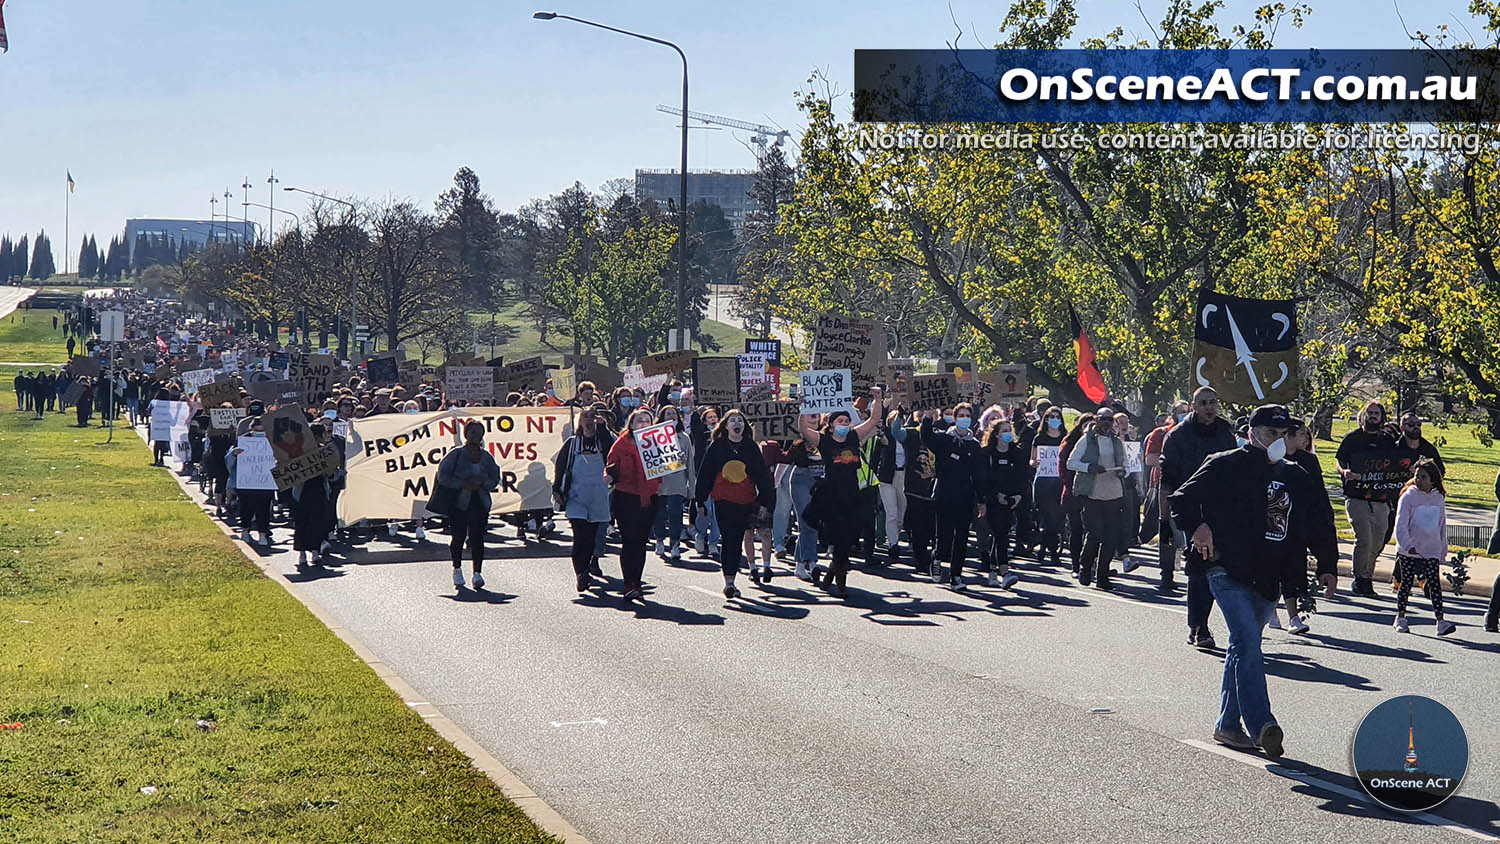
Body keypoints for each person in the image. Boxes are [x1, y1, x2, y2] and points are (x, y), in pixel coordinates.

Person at [1170, 404, 1339, 759]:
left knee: (1242, 647)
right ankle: (1263, 724)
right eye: (1269, 433)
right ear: (1252, 433)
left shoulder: (1297, 474)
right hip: (1225, 568)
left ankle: (1228, 725)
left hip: (1268, 575)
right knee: (1247, 639)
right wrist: (1197, 527)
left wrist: (1327, 564)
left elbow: (1320, 520)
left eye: (1282, 434)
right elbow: (1182, 499)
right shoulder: (1225, 463)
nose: (1277, 440)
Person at [1161, 386, 1236, 649]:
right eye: (1203, 403)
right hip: (1189, 507)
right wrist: (1165, 521)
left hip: (1220, 509)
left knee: (1217, 567)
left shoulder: (1225, 432)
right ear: (1194, 406)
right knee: (1199, 567)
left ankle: (1204, 621)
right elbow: (1167, 481)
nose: (1209, 408)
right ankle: (1199, 626)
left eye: (1213, 402)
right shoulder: (1177, 437)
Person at [798, 388, 884, 598]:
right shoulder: (824, 441)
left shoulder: (854, 437)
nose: (845, 425)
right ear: (832, 425)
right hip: (831, 496)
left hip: (852, 494)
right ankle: (840, 581)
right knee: (837, 536)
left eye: (847, 421)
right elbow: (803, 429)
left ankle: (830, 575)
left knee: (850, 536)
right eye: (841, 422)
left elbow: (874, 419)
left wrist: (878, 399)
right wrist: (803, 407)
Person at [695, 409, 776, 597]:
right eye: (732, 420)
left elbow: (763, 477)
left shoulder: (750, 447)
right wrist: (700, 501)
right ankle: (729, 581)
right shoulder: (717, 447)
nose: (736, 423)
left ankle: (733, 576)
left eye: (739, 420)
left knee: (737, 538)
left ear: (744, 426)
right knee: (729, 538)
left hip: (746, 499)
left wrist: (765, 503)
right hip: (723, 500)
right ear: (726, 426)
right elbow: (705, 474)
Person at [1335, 401, 1398, 598]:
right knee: (1364, 538)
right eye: (1369, 413)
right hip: (1356, 496)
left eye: (1376, 413)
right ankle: (1360, 579)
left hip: (1380, 497)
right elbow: (1339, 460)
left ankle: (1367, 576)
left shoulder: (1387, 440)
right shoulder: (1352, 438)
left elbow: (1396, 464)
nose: (1372, 416)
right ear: (1363, 416)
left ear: (1382, 417)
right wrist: (1344, 472)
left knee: (1378, 540)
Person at [920, 402, 985, 590]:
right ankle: (937, 558)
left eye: (967, 415)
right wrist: (927, 417)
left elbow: (979, 475)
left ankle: (956, 575)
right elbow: (927, 438)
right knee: (945, 535)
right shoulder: (944, 440)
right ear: (955, 419)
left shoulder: (974, 445)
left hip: (965, 497)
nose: (964, 418)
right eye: (961, 415)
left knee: (962, 538)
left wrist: (981, 500)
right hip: (944, 494)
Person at [553, 406, 615, 593]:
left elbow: (612, 455)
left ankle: (587, 566)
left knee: (592, 538)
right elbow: (560, 466)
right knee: (580, 536)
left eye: (592, 416)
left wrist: (603, 429)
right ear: (579, 421)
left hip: (598, 496)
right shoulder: (572, 444)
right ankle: (581, 572)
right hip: (576, 496)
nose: (589, 420)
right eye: (585, 416)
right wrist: (556, 489)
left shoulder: (604, 441)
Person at [1392, 458, 1456, 636]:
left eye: (1423, 477)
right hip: (1409, 551)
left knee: (1434, 585)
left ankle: (1440, 621)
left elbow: (1441, 524)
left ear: (1433, 479)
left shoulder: (1438, 498)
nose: (1419, 480)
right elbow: (1400, 524)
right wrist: (1407, 544)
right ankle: (1401, 617)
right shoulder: (1408, 496)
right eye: (1416, 476)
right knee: (1406, 584)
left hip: (1430, 550)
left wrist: (1442, 547)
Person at [1066, 408, 1128, 590]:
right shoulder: (1087, 440)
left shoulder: (1116, 442)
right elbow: (1071, 462)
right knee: (1095, 534)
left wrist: (1123, 471)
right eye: (1103, 419)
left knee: (1110, 536)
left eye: (1110, 419)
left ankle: (1102, 576)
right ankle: (1085, 567)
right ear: (1097, 420)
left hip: (1113, 492)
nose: (1107, 423)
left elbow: (1124, 464)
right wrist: (1089, 467)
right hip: (1092, 492)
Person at [435, 421, 501, 589]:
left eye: (479, 433)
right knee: (458, 536)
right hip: (458, 502)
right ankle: (457, 568)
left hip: (480, 502)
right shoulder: (455, 454)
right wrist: (463, 483)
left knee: (477, 537)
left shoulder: (486, 457)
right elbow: (443, 476)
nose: (475, 436)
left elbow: (495, 477)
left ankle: (477, 572)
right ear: (466, 434)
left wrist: (483, 483)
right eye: (472, 432)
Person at [605, 409, 662, 603]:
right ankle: (629, 582)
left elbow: (666, 466)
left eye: (647, 420)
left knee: (641, 542)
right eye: (639, 421)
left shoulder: (656, 442)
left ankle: (637, 581)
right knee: (630, 540)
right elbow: (611, 464)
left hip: (649, 498)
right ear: (631, 424)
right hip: (626, 497)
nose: (644, 423)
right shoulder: (623, 443)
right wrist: (610, 475)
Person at [981, 416, 1026, 589]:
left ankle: (992, 572)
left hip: (1011, 500)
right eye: (1004, 431)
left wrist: (1019, 496)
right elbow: (984, 479)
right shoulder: (987, 454)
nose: (1008, 434)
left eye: (1010, 430)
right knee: (1001, 534)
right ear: (997, 435)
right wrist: (995, 495)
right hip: (992, 500)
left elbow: (1023, 477)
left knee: (1001, 534)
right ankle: (1005, 572)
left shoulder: (1016, 453)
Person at [291, 423, 337, 569]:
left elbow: (330, 473)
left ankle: (315, 553)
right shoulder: (300, 451)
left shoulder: (324, 451)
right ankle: (302, 554)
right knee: (302, 522)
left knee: (317, 522)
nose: (326, 436)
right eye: (324, 433)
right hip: (303, 491)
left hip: (319, 490)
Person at [651, 404, 694, 562]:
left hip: (678, 483)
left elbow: (690, 463)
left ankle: (675, 543)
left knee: (676, 515)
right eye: (668, 414)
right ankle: (660, 539)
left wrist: (691, 487)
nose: (671, 416)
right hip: (659, 484)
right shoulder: (653, 437)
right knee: (659, 514)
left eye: (674, 414)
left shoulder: (684, 438)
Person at [1029, 404, 1067, 567]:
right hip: (1043, 481)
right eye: (1051, 417)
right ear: (1045, 420)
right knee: (1045, 516)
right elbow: (1031, 459)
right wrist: (1034, 463)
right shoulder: (1039, 438)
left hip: (1059, 481)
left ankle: (1045, 546)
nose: (1054, 420)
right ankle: (1051, 551)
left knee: (1057, 517)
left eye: (1057, 417)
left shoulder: (1065, 437)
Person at [873, 409, 909, 565]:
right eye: (894, 420)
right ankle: (893, 544)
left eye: (899, 420)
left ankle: (895, 534)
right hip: (887, 477)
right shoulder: (885, 435)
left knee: (902, 513)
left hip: (904, 476)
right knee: (891, 513)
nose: (897, 422)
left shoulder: (908, 436)